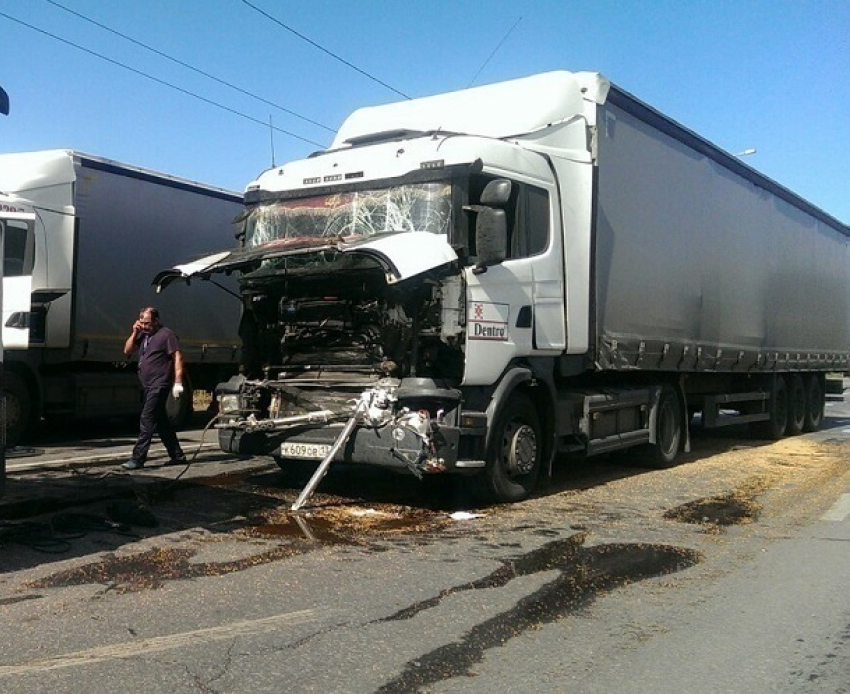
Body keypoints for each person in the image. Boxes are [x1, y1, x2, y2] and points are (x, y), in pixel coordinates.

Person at [122, 307, 186, 469]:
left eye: (148, 323)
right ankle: (177, 455)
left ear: (156, 321)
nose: (145, 326)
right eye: (142, 322)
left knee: (147, 418)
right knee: (161, 421)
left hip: (160, 384)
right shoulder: (143, 335)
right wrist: (134, 333)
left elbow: (177, 356)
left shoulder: (166, 335)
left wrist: (178, 382)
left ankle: (138, 458)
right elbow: (127, 350)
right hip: (147, 385)